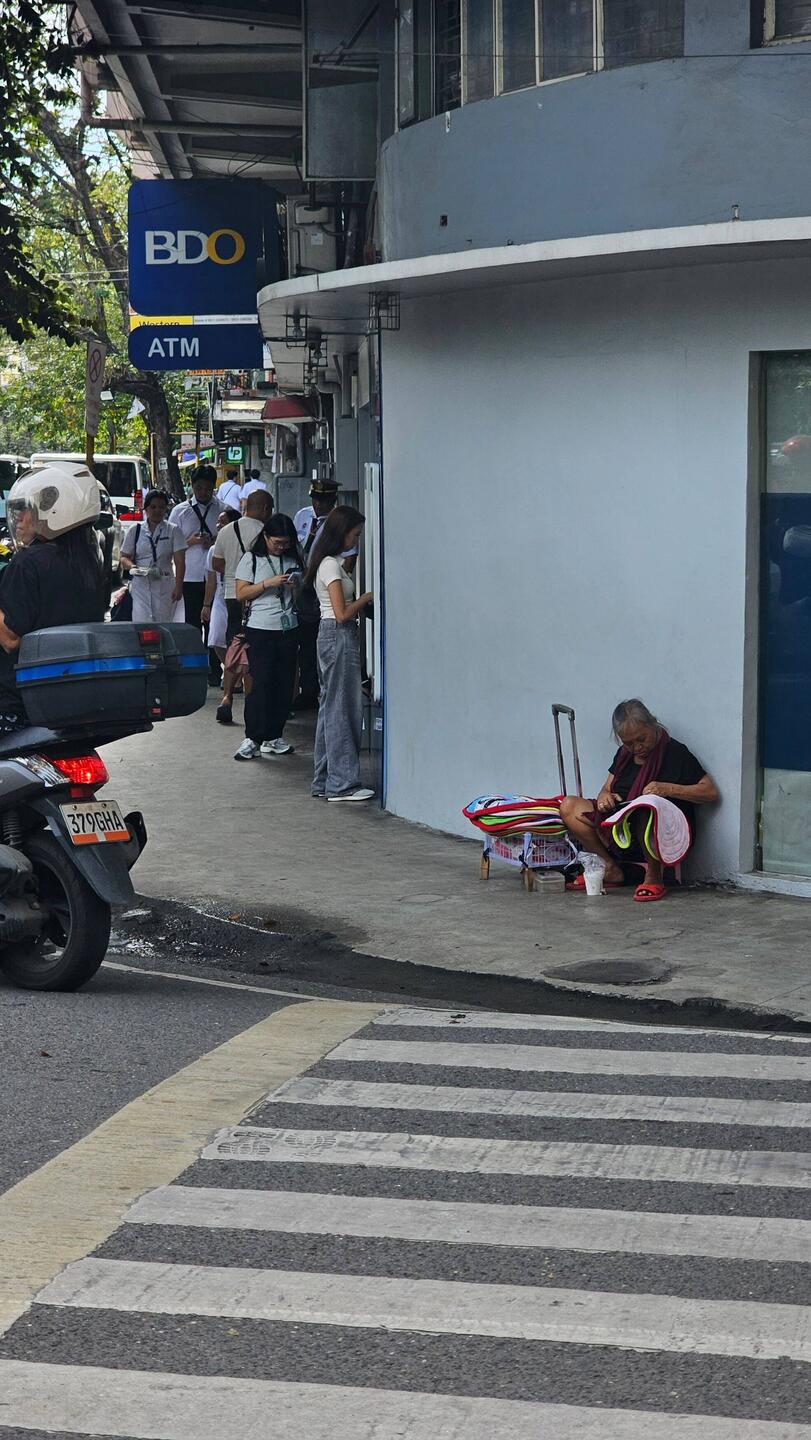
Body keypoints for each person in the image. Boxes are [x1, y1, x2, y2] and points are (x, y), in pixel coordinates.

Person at [559, 698, 719, 902]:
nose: (636, 748)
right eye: (628, 743)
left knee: (646, 805)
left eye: (641, 739)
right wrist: (604, 797)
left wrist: (667, 788)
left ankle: (654, 875)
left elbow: (710, 792)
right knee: (569, 806)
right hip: (621, 827)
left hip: (661, 831)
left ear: (653, 724)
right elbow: (607, 787)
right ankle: (610, 867)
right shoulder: (624, 755)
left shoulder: (675, 752)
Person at [0, 463, 105, 727]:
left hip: (18, 698)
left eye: (28, 511)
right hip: (68, 689)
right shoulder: (90, 562)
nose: (20, 519)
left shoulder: (28, 562)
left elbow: (11, 639)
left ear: (57, 512)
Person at [305, 505, 374, 801]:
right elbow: (342, 613)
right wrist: (367, 598)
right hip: (339, 634)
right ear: (342, 532)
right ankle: (342, 783)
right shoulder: (331, 566)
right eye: (355, 534)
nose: (356, 539)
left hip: (331, 635)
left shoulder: (329, 563)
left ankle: (324, 780)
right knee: (343, 709)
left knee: (330, 708)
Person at [232, 515, 300, 762]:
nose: (281, 547)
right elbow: (241, 594)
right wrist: (268, 583)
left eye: (286, 543)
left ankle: (274, 735)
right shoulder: (252, 559)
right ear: (265, 538)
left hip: (288, 627)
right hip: (260, 628)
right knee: (260, 683)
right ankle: (253, 737)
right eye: (277, 543)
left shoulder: (292, 558)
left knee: (283, 685)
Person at [211, 491, 272, 724]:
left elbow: (216, 563)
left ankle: (226, 697)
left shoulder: (226, 530)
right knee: (254, 648)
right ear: (265, 508)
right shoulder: (265, 532)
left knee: (234, 645)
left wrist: (233, 568)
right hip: (258, 595)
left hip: (231, 595)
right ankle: (252, 699)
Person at [294, 480, 340, 708]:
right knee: (304, 641)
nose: (318, 505)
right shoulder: (302, 516)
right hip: (302, 586)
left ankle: (321, 689)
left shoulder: (337, 522)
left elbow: (348, 558)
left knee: (321, 639)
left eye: (324, 501)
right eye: (315, 499)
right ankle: (307, 689)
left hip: (324, 584)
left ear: (333, 500)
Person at [168, 464, 223, 637]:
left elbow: (232, 541)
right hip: (190, 573)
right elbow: (170, 544)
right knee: (192, 620)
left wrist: (214, 541)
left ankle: (214, 660)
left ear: (214, 487)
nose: (202, 492)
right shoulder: (180, 511)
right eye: (198, 488)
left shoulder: (224, 510)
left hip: (216, 575)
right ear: (192, 486)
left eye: (207, 488)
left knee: (214, 621)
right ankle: (196, 657)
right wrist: (190, 542)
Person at [119, 489, 185, 622]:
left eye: (161, 507)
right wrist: (134, 567)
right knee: (142, 623)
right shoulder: (135, 530)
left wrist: (178, 586)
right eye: (153, 507)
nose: (157, 511)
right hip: (140, 585)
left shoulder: (173, 530)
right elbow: (123, 557)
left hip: (165, 584)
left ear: (166, 509)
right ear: (146, 509)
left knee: (163, 623)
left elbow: (180, 561)